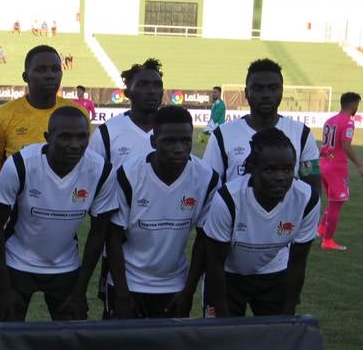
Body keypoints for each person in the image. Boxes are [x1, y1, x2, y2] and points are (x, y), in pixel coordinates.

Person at [0, 106, 117, 321]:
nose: (75, 145)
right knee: (8, 337)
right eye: (65, 137)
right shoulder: (20, 164)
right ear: (48, 137)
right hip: (17, 261)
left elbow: (98, 232)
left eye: (82, 137)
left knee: (69, 339)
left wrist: (79, 290)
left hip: (66, 264)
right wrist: (4, 286)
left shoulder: (101, 170)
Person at [106, 106, 219, 319]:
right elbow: (112, 237)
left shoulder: (206, 178)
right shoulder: (128, 175)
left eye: (185, 140)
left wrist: (188, 290)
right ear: (153, 142)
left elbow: (204, 240)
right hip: (128, 283)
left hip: (174, 284)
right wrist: (121, 293)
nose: (179, 148)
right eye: (169, 141)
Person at [202, 129, 320, 317]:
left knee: (276, 340)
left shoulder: (307, 199)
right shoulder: (228, 199)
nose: (281, 177)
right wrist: (223, 322)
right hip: (228, 275)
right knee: (223, 341)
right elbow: (215, 263)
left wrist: (287, 314)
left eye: (288, 169)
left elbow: (298, 263)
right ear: (252, 168)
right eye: (270, 169)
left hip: (273, 273)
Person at [0, 45, 87, 187]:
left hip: (65, 204)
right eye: (41, 69)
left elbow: (85, 164)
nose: (50, 75)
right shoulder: (2, 116)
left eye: (56, 69)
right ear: (25, 77)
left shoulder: (78, 114)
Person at [202, 59, 319, 184]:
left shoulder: (302, 134)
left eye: (273, 88)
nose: (266, 94)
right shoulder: (222, 135)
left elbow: (313, 186)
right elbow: (207, 186)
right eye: (258, 88)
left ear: (281, 91)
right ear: (246, 93)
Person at [88, 60, 164, 175]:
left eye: (157, 85)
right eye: (143, 85)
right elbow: (91, 175)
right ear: (128, 93)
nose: (152, 91)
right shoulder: (106, 132)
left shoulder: (173, 130)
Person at [318, 92, 363, 251]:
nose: (357, 108)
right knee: (337, 203)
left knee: (332, 201)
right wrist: (360, 164)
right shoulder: (348, 122)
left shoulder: (329, 121)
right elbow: (346, 145)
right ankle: (328, 241)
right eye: (357, 105)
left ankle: (321, 229)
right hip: (336, 168)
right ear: (353, 105)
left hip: (323, 164)